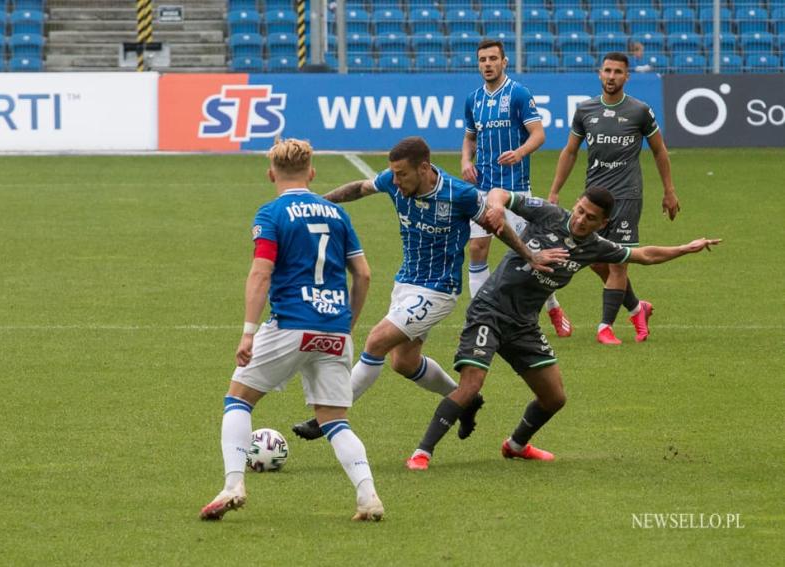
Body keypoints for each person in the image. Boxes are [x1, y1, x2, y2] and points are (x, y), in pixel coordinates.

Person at [405, 187, 720, 470]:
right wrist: (498, 207)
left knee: (554, 397)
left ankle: (515, 446)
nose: (581, 220)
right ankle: (422, 452)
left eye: (590, 218)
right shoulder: (549, 214)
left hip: (524, 324)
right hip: (490, 309)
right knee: (472, 384)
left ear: (602, 224)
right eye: (580, 210)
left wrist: (685, 248)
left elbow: (643, 255)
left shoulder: (596, 246)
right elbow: (499, 193)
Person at [292, 136, 565, 442]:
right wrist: (320, 203)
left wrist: (530, 254)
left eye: (402, 174)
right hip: (405, 283)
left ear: (424, 168)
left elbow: (495, 225)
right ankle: (466, 399)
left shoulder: (459, 194)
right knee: (404, 363)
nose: (395, 181)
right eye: (392, 174)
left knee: (377, 340)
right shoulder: (394, 182)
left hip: (438, 290)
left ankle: (327, 416)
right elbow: (360, 187)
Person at [199, 138, 384, 522]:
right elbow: (364, 274)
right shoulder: (337, 214)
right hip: (334, 329)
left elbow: (261, 272)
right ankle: (368, 497)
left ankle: (234, 484)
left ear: (271, 174)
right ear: (312, 173)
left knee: (238, 400)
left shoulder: (271, 215)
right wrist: (346, 324)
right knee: (334, 421)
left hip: (289, 325)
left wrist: (249, 331)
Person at [548, 52, 681, 345]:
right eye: (607, 71)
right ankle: (637, 307)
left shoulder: (639, 111)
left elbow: (659, 150)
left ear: (626, 76)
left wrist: (669, 190)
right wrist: (555, 190)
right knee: (597, 262)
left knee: (619, 264)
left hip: (626, 197)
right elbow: (570, 151)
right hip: (592, 200)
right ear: (599, 73)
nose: (611, 76)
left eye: (618, 72)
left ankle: (605, 327)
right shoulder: (585, 110)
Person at [460, 38, 572, 339]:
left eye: (493, 59)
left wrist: (520, 153)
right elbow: (470, 137)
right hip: (482, 189)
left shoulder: (519, 94)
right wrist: (465, 160)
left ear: (504, 62)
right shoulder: (473, 100)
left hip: (516, 190)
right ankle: (481, 313)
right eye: (482, 59)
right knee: (477, 249)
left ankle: (552, 307)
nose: (487, 64)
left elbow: (539, 134)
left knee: (529, 253)